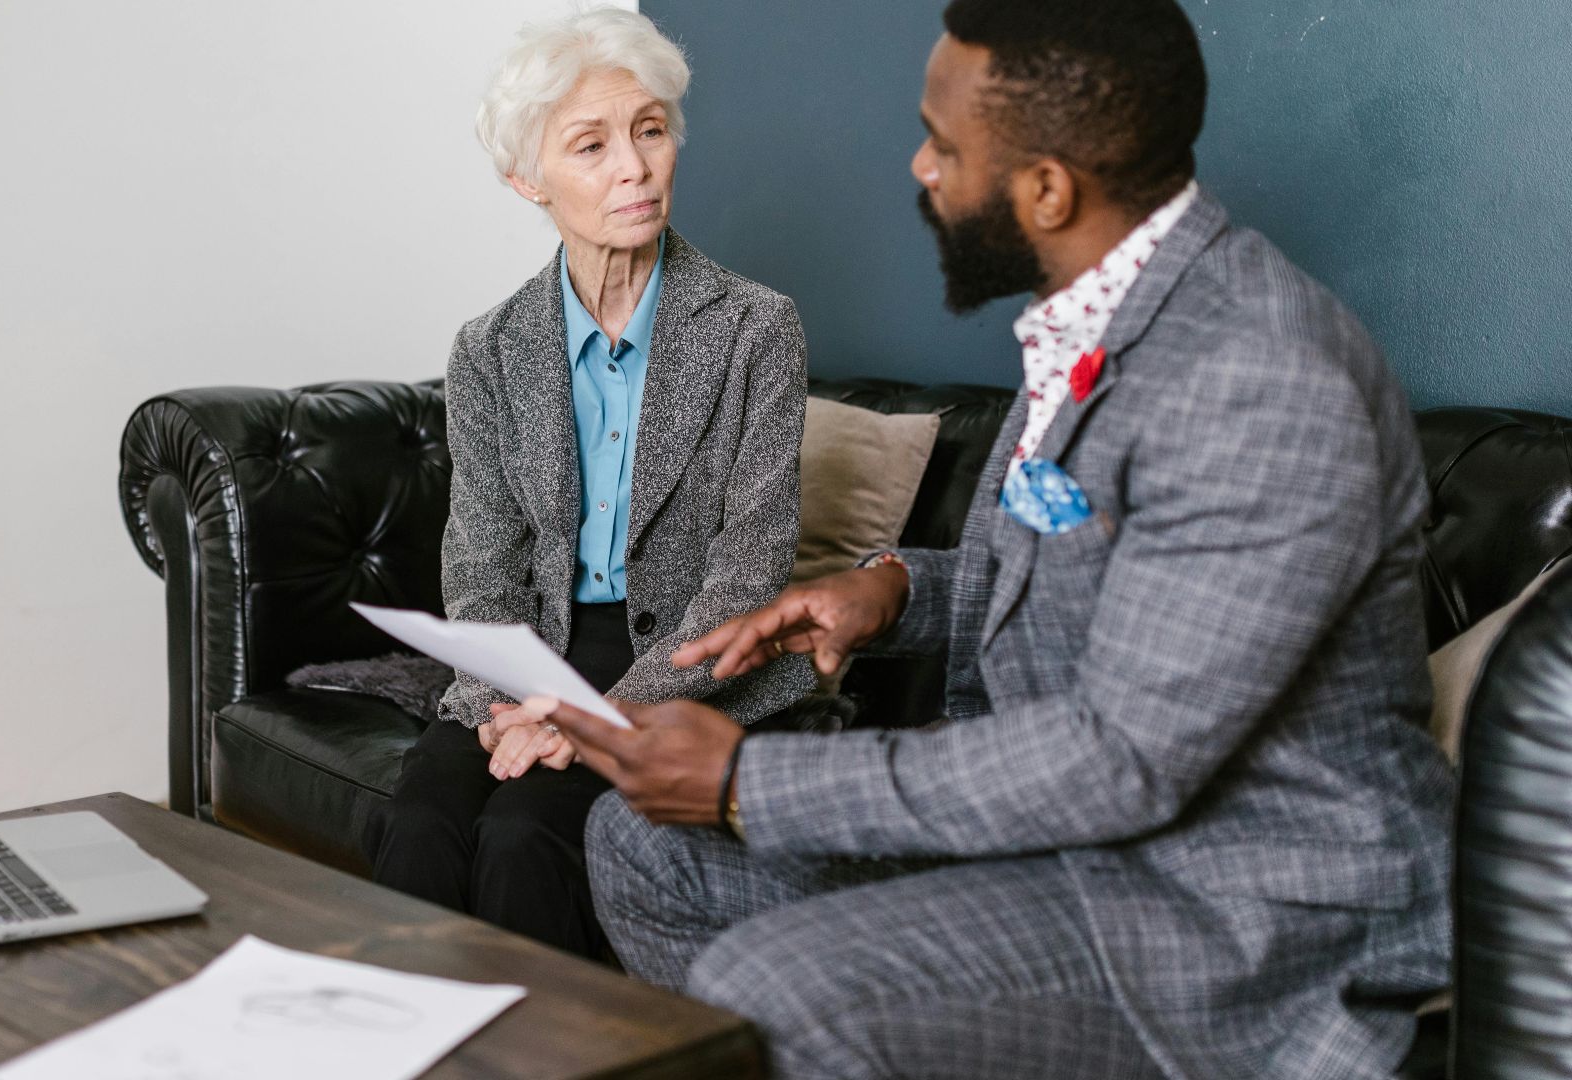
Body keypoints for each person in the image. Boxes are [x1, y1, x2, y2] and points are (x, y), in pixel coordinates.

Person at [536, 0, 1454, 1075]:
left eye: (945, 144)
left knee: (775, 991)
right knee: (646, 851)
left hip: (1241, 914)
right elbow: (1104, 583)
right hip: (1073, 847)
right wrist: (892, 591)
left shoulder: (1259, 379)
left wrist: (748, 782)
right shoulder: (1096, 312)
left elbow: (1124, 757)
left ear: (1048, 189)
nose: (922, 168)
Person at [361, 8, 815, 960]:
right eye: (592, 144)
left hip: (684, 661)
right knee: (425, 824)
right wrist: (510, 705)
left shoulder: (756, 329)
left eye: (650, 131)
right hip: (533, 654)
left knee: (527, 838)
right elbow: (481, 571)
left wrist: (597, 720)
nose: (634, 168)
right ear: (528, 179)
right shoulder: (487, 349)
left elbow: (747, 579)